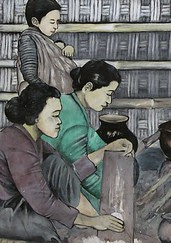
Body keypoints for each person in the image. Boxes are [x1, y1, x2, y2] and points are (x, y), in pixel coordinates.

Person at [0, 83, 124, 243]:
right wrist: (92, 222)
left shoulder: (33, 139)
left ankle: (97, 227)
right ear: (35, 117)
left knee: (55, 165)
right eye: (54, 116)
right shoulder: (18, 145)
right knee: (42, 228)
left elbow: (67, 173)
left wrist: (105, 151)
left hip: (1, 199)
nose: (59, 122)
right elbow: (43, 203)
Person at [43, 60, 133, 212]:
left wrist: (116, 145)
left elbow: (91, 140)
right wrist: (112, 194)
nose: (109, 101)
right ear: (87, 87)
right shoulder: (74, 118)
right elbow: (81, 172)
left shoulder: (68, 101)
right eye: (108, 94)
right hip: (51, 183)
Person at [16, 0, 77, 94]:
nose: (55, 26)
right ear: (35, 22)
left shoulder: (48, 41)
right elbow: (30, 74)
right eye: (52, 22)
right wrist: (48, 92)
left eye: (57, 22)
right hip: (43, 94)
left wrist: (66, 51)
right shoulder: (29, 39)